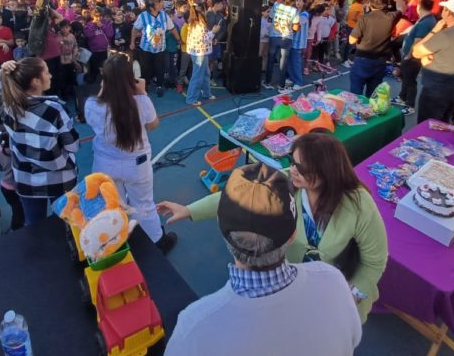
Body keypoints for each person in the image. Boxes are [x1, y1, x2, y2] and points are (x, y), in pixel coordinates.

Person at [159, 132, 387, 323]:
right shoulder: (287, 182)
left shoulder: (359, 204)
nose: (293, 169)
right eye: (292, 161)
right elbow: (240, 198)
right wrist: (189, 210)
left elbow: (374, 261)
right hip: (292, 285)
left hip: (337, 295)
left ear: (326, 172)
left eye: (301, 166)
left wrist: (353, 294)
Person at [163, 162, 362, 356]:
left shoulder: (194, 327)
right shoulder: (333, 281)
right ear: (293, 234)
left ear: (223, 231)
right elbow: (353, 339)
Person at [84, 54, 177, 253]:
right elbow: (153, 125)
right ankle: (157, 241)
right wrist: (142, 93)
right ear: (130, 77)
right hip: (136, 164)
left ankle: (116, 241)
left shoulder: (92, 104)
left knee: (113, 205)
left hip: (104, 163)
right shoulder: (139, 102)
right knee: (143, 204)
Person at [0, 57, 79, 226]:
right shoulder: (54, 109)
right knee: (68, 222)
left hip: (26, 179)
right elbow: (73, 145)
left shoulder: (5, 104)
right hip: (59, 178)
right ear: (35, 81)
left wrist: (3, 70)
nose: (51, 76)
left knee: (33, 224)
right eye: (47, 72)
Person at [411, 0, 454, 123]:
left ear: (448, 12)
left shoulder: (446, 35)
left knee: (428, 125)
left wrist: (434, 31)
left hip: (438, 88)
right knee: (443, 122)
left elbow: (416, 52)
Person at [348, 0, 400, 97]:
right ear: (387, 4)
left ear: (370, 3)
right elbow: (402, 9)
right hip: (380, 60)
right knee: (372, 94)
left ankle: (356, 111)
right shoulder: (392, 17)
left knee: (355, 94)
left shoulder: (365, 18)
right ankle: (370, 111)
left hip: (363, 58)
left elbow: (352, 40)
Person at [130, 0, 181, 97]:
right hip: (146, 48)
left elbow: (172, 28)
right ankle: (145, 86)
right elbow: (135, 29)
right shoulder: (143, 16)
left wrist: (178, 39)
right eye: (159, 3)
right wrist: (132, 42)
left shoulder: (164, 15)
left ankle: (159, 85)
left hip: (160, 48)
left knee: (160, 67)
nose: (161, 4)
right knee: (146, 68)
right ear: (151, 7)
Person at [393, 0, 436, 115]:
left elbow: (417, 41)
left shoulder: (425, 22)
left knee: (410, 80)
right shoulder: (426, 19)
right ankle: (402, 97)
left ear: (419, 7)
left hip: (413, 57)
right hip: (410, 55)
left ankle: (410, 104)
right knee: (405, 77)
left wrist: (408, 55)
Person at [0, 127, 24, 231]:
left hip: (5, 186)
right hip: (18, 186)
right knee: (20, 209)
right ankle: (16, 228)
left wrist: (2, 168)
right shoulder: (17, 152)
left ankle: (18, 226)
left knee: (15, 207)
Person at [263, 0, 300, 90]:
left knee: (271, 59)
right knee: (283, 62)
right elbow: (295, 27)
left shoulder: (276, 5)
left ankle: (267, 82)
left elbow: (270, 19)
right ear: (293, 0)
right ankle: (281, 85)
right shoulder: (294, 11)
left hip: (274, 35)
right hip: (287, 37)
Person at [183, 3, 216, 106]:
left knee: (205, 73)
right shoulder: (198, 25)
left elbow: (204, 37)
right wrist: (213, 32)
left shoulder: (194, 24)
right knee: (198, 76)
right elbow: (203, 38)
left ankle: (206, 93)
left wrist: (211, 38)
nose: (204, 13)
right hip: (199, 53)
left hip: (200, 52)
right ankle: (191, 98)